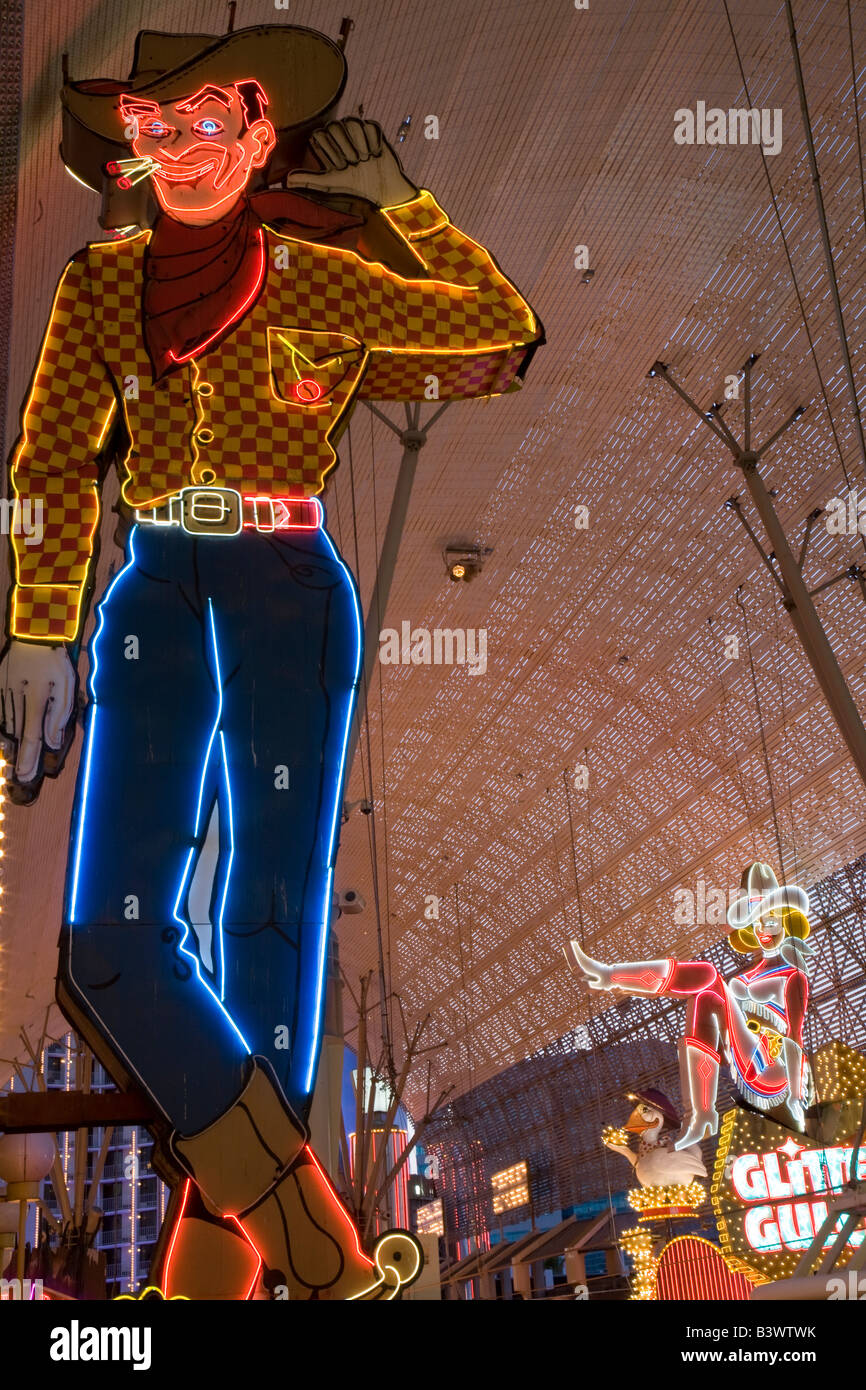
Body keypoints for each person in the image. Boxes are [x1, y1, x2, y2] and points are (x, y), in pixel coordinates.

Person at [0, 23, 542, 1298]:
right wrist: (38, 625)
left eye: (204, 122)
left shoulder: (315, 277)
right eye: (151, 128)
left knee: (267, 930)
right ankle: (314, 1248)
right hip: (150, 590)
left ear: (257, 137)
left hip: (286, 587)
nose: (178, 151)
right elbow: (53, 458)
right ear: (128, 153)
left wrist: (401, 201)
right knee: (113, 947)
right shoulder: (97, 288)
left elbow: (498, 331)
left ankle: (203, 1288)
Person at [567, 862, 814, 1148]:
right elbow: (721, 1028)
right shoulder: (745, 978)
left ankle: (609, 975)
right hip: (747, 1055)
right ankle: (701, 1115)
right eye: (757, 923)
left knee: (708, 977)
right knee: (705, 995)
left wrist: (797, 1097)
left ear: (786, 921)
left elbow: (795, 1037)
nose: (763, 930)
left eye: (770, 921)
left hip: (775, 1067)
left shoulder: (792, 974)